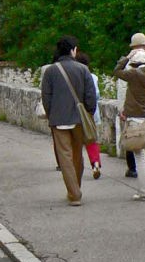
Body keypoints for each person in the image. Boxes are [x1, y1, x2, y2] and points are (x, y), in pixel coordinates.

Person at [40, 36, 96, 206]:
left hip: (58, 119)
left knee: (65, 157)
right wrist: (89, 113)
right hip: (79, 118)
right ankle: (75, 188)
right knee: (77, 155)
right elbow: (90, 96)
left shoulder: (50, 71)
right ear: (73, 50)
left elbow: (46, 97)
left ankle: (74, 193)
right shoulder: (83, 69)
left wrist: (51, 115)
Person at [114, 32, 145, 195]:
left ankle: (144, 191)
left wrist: (127, 58)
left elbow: (117, 71)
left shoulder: (132, 74)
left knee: (140, 156)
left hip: (136, 118)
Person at [76, 51, 104, 179]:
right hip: (91, 114)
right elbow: (96, 95)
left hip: (77, 113)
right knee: (91, 140)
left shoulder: (74, 76)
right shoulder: (93, 77)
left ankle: (77, 166)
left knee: (76, 141)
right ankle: (95, 163)